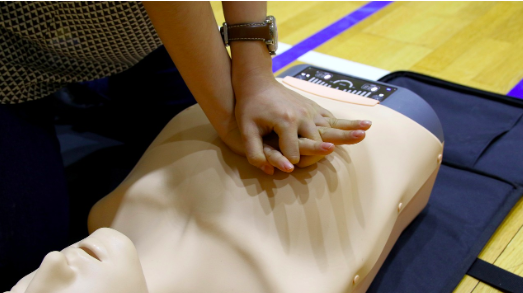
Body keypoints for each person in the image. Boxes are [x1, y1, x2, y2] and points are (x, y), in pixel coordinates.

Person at [0, 2, 369, 289]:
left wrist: (255, 76)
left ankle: (86, 93)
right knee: (20, 256)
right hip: (13, 44)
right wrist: (235, 105)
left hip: (139, 34)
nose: (54, 263)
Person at [7, 78, 443, 292]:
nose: (52, 265)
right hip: (397, 123)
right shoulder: (286, 282)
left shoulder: (106, 218)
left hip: (229, 89)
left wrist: (252, 76)